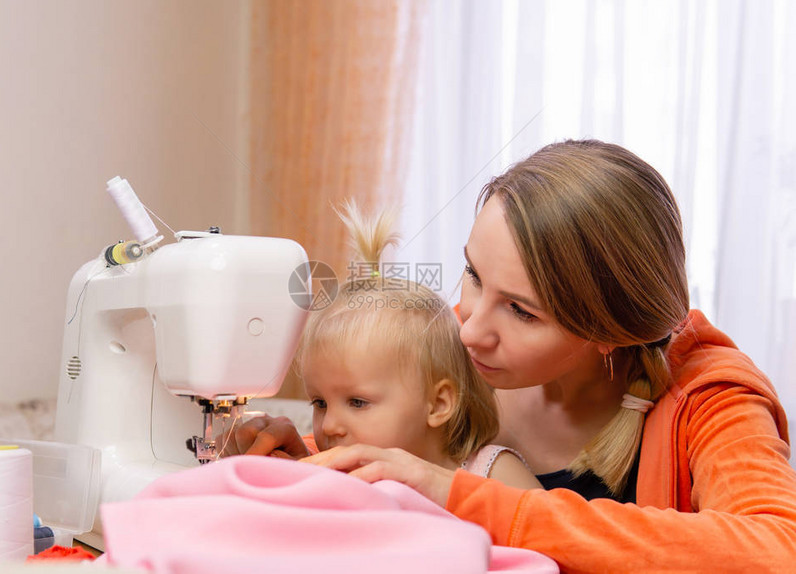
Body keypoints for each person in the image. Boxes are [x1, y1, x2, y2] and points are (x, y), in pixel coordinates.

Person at [234, 140, 796, 571]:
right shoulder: (458, 349)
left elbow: (776, 551)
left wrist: (463, 497)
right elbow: (403, 454)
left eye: (521, 312)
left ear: (607, 332)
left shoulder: (710, 396)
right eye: (474, 276)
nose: (471, 329)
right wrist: (304, 457)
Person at [286, 201, 540, 487]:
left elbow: (539, 526)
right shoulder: (336, 474)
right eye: (320, 403)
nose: (329, 426)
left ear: (438, 404)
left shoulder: (488, 472)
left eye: (357, 402)